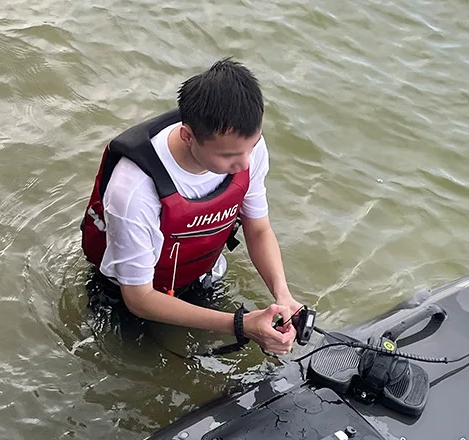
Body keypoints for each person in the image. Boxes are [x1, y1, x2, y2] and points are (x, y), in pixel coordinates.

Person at [80, 58, 302, 355]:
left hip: (199, 276)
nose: (245, 164)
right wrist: (240, 324)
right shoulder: (134, 190)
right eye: (230, 156)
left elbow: (258, 228)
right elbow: (138, 297)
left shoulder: (245, 148)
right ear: (188, 137)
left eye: (253, 146)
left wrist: (282, 294)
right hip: (129, 296)